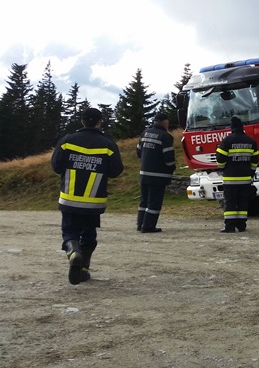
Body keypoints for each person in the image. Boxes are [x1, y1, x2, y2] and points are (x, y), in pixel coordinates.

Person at [50, 107, 124, 285]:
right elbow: (116, 170)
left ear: (82, 121)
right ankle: (83, 269)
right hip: (93, 202)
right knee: (89, 234)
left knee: (70, 231)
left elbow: (56, 166)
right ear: (99, 122)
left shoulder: (67, 141)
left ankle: (73, 252)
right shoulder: (108, 144)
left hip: (69, 199)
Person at [215, 116, 259, 233]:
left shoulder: (227, 140)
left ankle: (229, 226)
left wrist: (222, 169)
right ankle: (241, 225)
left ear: (232, 128)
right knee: (243, 202)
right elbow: (255, 161)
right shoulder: (251, 141)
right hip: (245, 179)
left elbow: (220, 158)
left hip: (230, 179)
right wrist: (251, 173)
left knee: (230, 202)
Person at [136, 112, 176, 233]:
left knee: (144, 201)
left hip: (144, 173)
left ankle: (140, 224)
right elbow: (168, 157)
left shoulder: (145, 133)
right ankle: (148, 226)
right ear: (164, 122)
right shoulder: (165, 136)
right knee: (154, 202)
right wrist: (172, 167)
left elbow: (138, 152)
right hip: (158, 175)